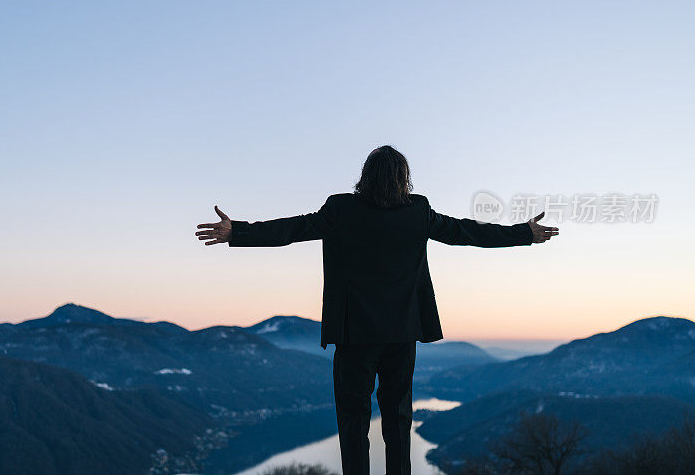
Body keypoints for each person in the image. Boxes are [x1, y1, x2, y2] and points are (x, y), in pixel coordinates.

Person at [195, 145, 558, 475]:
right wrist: (523, 233)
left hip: (354, 335)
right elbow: (467, 232)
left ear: (364, 176)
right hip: (402, 332)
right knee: (398, 419)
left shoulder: (341, 209)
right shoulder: (418, 211)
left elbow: (293, 228)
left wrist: (238, 232)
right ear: (404, 178)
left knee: (354, 421)